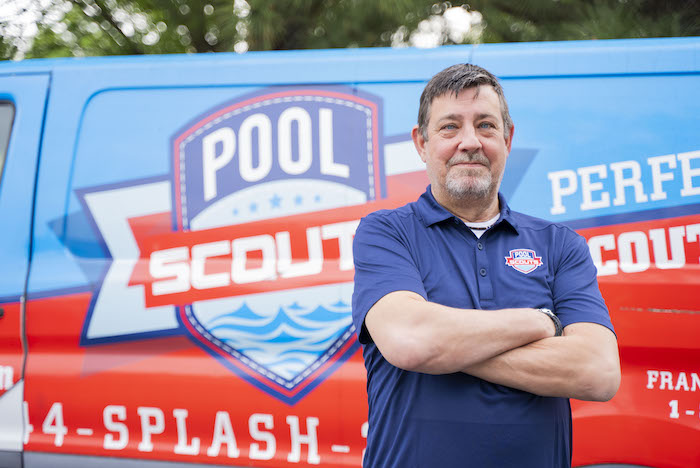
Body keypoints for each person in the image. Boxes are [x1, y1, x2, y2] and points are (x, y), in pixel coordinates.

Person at [351, 63, 621, 468]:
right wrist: (543, 323)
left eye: (486, 125)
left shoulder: (560, 245)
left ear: (508, 139)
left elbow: (598, 372)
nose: (470, 142)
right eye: (449, 127)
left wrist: (444, 349)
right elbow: (411, 340)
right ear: (421, 143)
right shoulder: (387, 233)